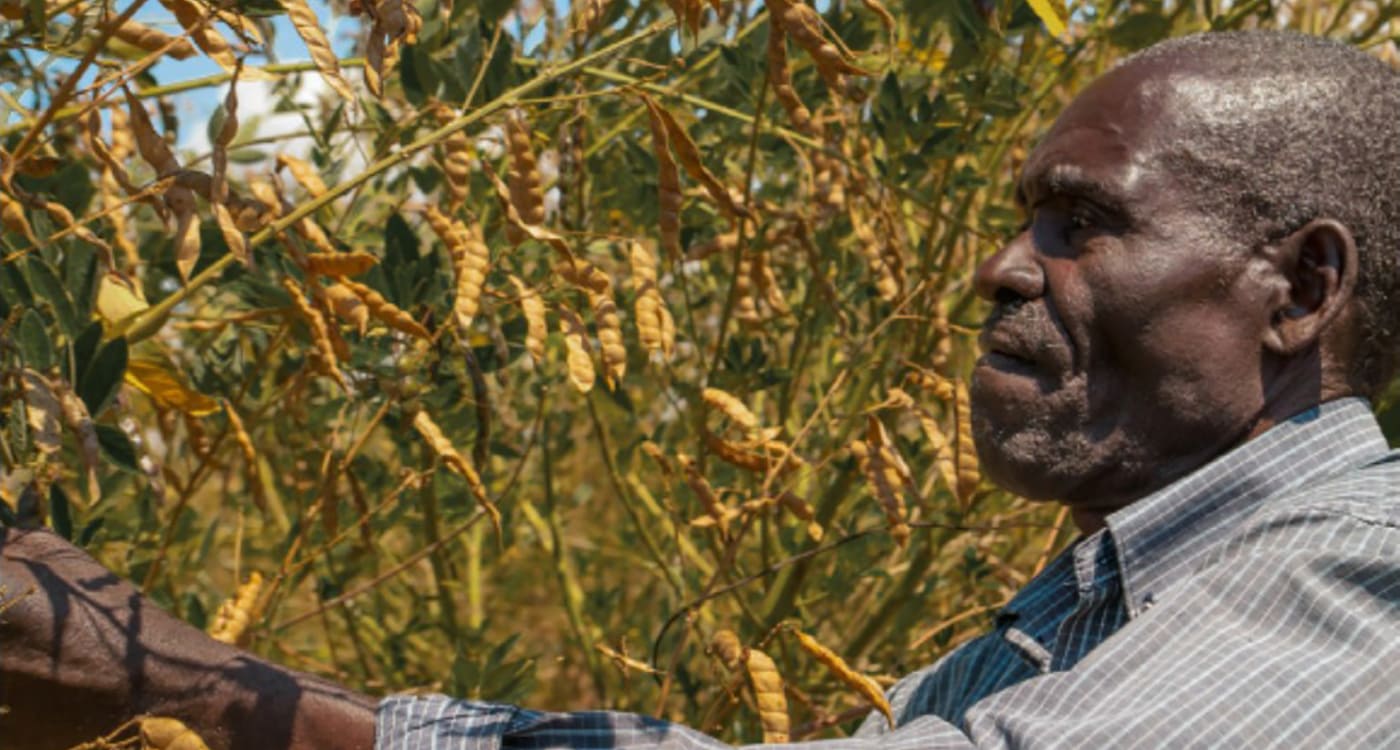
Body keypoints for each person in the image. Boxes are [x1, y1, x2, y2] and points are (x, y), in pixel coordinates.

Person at [4, 28, 1399, 750]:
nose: (1000, 265)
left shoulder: (1357, 575)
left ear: (1300, 289)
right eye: (1019, 214)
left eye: (1076, 223)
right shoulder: (1077, 622)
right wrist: (212, 686)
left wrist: (186, 677)